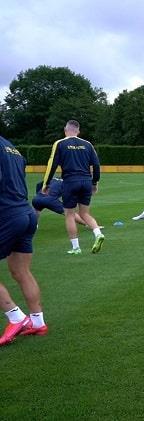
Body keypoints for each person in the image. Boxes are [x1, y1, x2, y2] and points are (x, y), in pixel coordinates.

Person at [0, 135, 47, 346]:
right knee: (21, 271)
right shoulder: (11, 146)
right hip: (25, 213)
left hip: (7, 214)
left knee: (21, 271)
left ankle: (16, 317)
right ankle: (38, 322)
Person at [42, 120, 105, 254]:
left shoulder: (60, 143)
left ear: (65, 131)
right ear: (78, 131)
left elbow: (52, 164)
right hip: (86, 181)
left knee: (69, 214)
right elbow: (96, 165)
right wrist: (95, 182)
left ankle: (76, 248)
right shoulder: (88, 144)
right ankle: (98, 233)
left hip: (70, 182)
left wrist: (46, 184)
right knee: (85, 213)